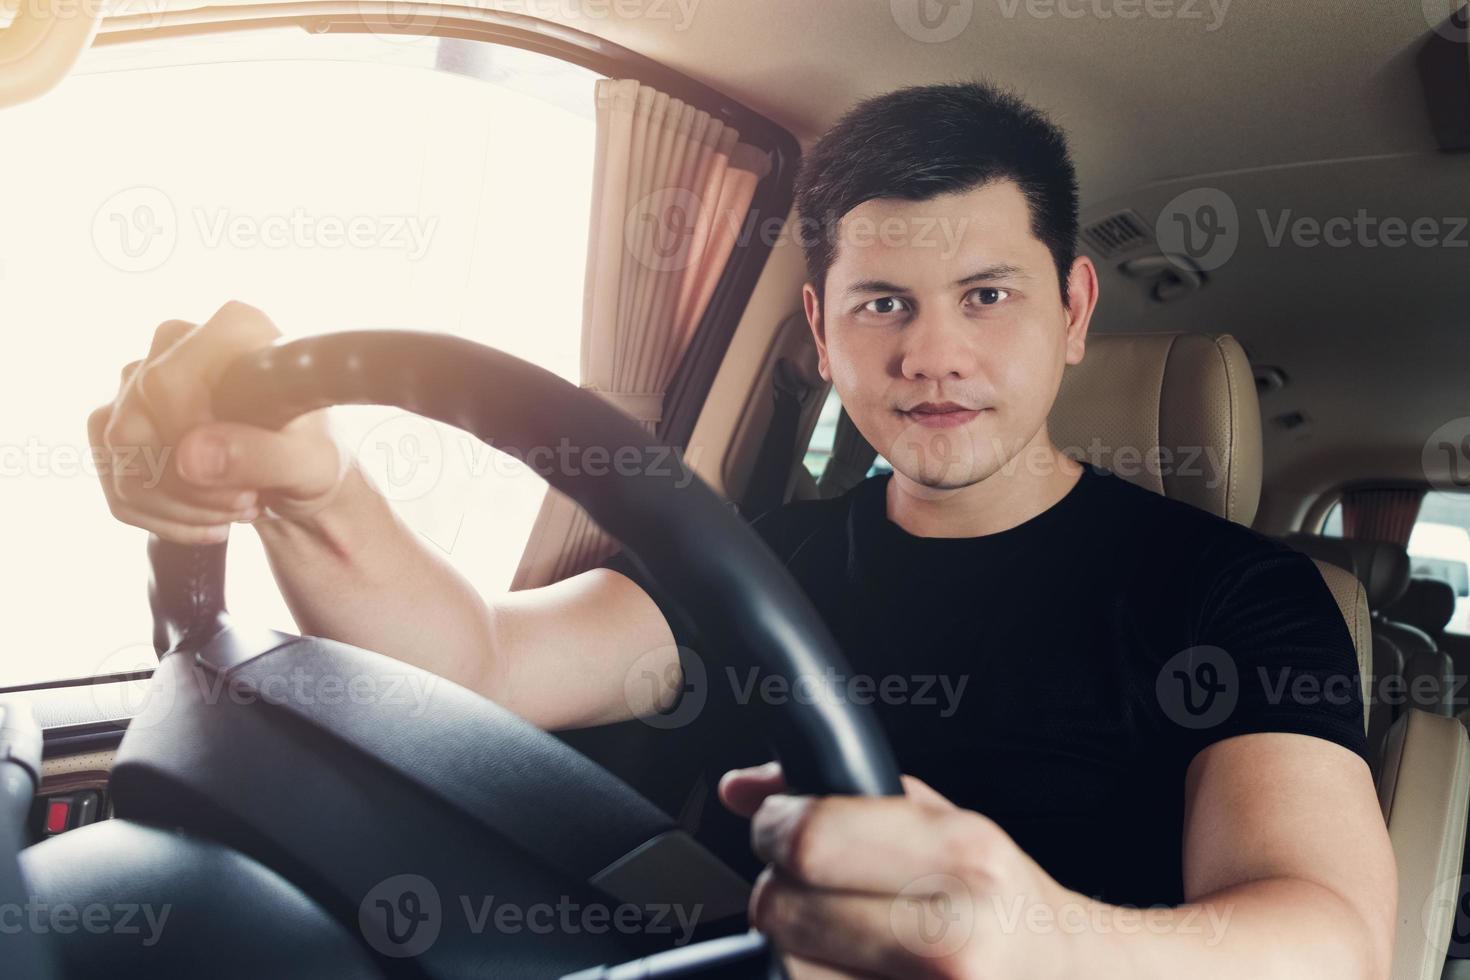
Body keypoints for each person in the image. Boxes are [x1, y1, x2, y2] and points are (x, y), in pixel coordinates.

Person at [89, 81, 1394, 979]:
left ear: (1070, 309)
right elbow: (479, 663)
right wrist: (311, 491)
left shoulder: (1244, 597)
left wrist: (1041, 941)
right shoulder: (757, 559)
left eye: (984, 295)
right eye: (881, 304)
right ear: (820, 336)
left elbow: (1328, 940)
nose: (933, 353)